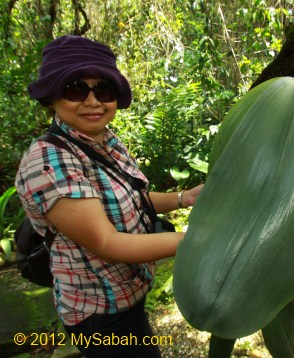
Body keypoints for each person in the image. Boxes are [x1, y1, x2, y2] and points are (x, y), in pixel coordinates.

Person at [15, 35, 203, 357]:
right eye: (76, 89)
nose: (93, 101)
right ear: (52, 97)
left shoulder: (103, 140)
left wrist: (185, 198)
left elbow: (134, 198)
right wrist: (201, 240)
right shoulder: (49, 161)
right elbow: (108, 243)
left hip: (128, 295)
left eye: (104, 90)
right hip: (99, 315)